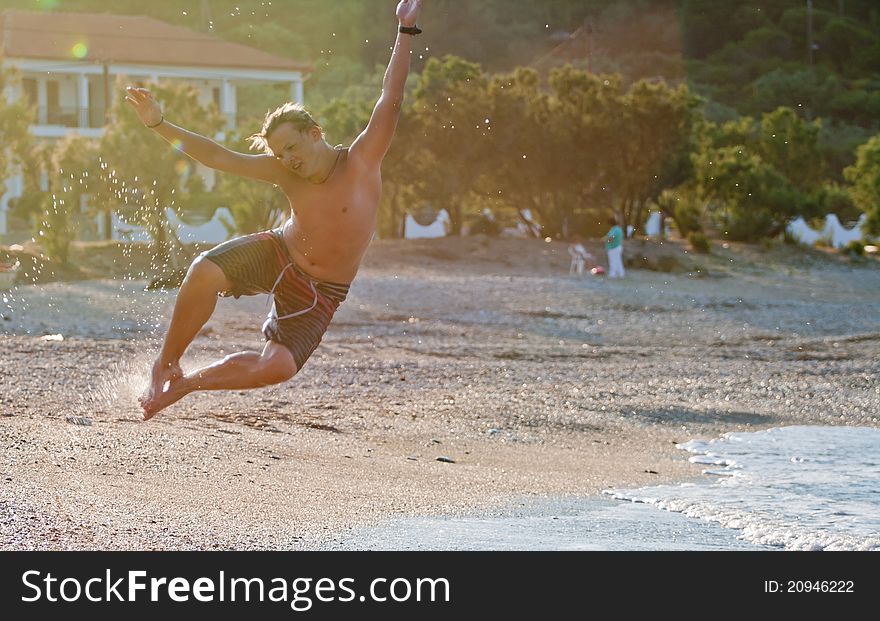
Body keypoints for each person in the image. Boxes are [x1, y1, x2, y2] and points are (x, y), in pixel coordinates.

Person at [128, 0, 425, 420]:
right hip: (280, 253)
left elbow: (390, 98)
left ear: (314, 133)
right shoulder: (285, 174)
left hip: (322, 290)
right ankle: (166, 363)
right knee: (203, 270)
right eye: (278, 153)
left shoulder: (361, 161)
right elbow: (218, 157)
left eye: (291, 147)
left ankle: (187, 384)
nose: (287, 159)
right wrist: (160, 125)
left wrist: (404, 31)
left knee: (278, 366)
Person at [605, 213, 625, 279]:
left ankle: (613, 274)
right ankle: (621, 274)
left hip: (613, 247)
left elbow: (611, 237)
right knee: (618, 261)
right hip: (617, 247)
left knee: (613, 261)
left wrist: (607, 240)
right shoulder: (618, 229)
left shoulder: (614, 229)